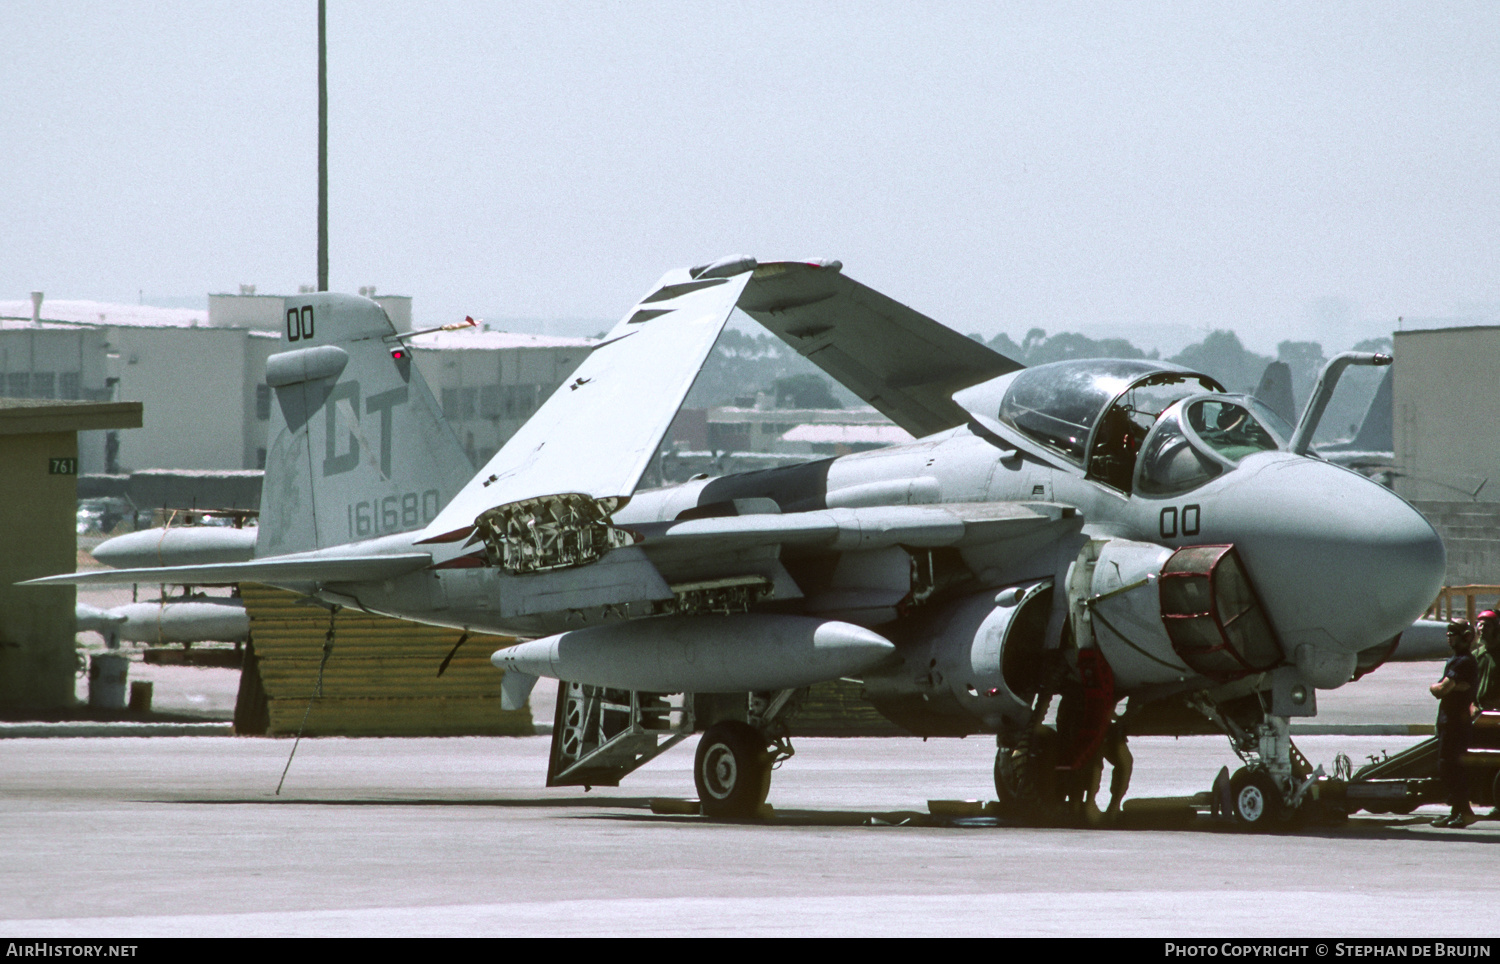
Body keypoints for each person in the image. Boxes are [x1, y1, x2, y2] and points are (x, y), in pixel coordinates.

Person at [1429, 619, 1480, 827]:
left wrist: (1434, 686)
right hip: (1449, 721)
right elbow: (1450, 687)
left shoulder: (1463, 662)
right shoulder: (1457, 659)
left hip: (1455, 723)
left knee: (1451, 767)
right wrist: (1449, 686)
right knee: (1448, 766)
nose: (1449, 636)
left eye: (1454, 633)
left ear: (1465, 637)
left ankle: (1464, 811)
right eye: (1449, 633)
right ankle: (1456, 811)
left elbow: (1441, 690)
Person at [1473, 610, 1500, 712]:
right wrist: (1472, 705)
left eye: (1487, 626)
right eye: (1480, 625)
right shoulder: (1476, 655)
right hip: (1479, 714)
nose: (1482, 629)